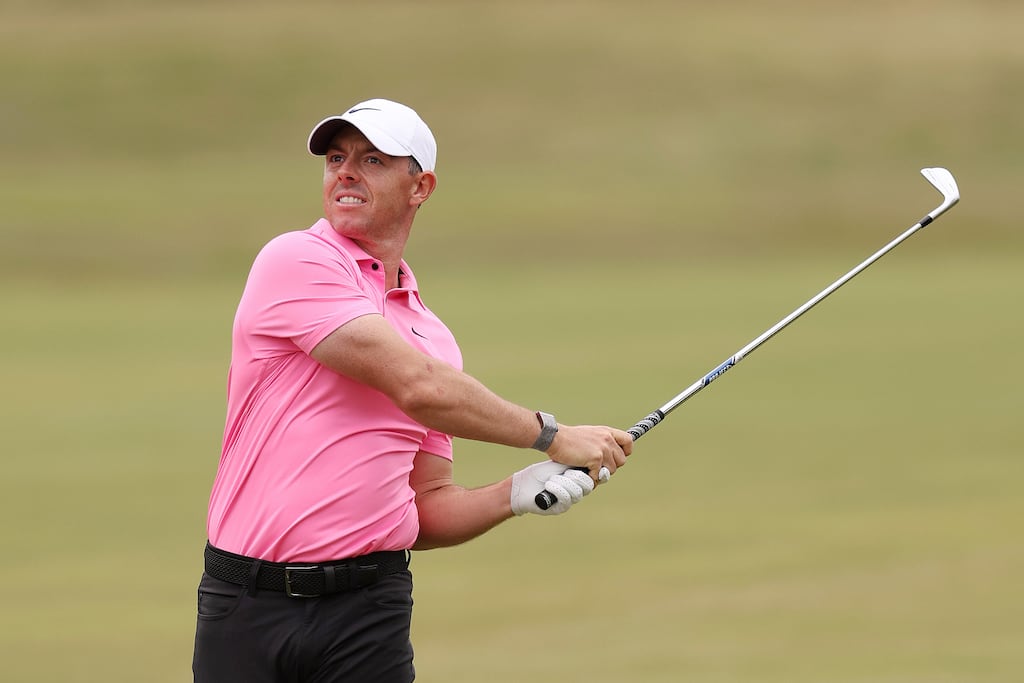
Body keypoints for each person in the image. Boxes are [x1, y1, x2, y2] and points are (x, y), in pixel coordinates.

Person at [191, 98, 633, 683]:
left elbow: (423, 509)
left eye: (372, 159)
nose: (345, 171)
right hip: (247, 604)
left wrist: (514, 493)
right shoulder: (296, 260)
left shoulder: (432, 336)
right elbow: (416, 386)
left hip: (369, 611)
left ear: (419, 186)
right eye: (336, 158)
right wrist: (550, 436)